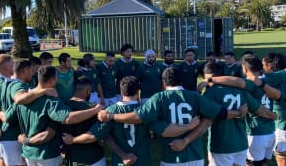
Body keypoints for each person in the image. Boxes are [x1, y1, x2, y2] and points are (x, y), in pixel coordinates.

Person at [98, 67, 248, 165]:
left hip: (172, 156)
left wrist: (111, 117)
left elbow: (138, 117)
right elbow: (218, 114)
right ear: (181, 80)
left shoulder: (159, 98)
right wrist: (238, 112)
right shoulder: (194, 96)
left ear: (163, 83)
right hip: (195, 155)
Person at [63, 75, 201, 166]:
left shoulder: (109, 111)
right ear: (138, 92)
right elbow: (164, 130)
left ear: (121, 92)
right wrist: (188, 127)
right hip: (143, 161)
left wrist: (73, 140)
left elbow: (95, 135)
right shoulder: (146, 110)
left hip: (121, 162)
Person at [16, 65, 103, 166]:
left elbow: (7, 117)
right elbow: (69, 118)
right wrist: (96, 109)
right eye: (57, 78)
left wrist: (24, 140)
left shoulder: (23, 99)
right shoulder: (51, 101)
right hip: (46, 154)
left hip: (28, 153)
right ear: (53, 80)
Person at [202, 62, 277, 166]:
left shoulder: (210, 93)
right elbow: (260, 110)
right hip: (241, 144)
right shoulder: (240, 90)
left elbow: (205, 120)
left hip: (221, 145)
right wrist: (274, 116)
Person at [61, 77, 106, 166]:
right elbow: (99, 134)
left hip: (73, 158)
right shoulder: (95, 109)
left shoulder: (61, 107)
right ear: (88, 91)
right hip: (94, 157)